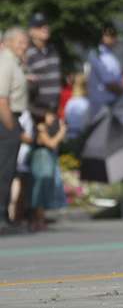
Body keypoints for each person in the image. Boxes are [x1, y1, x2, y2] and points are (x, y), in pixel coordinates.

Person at [0, 27, 30, 231]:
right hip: (6, 120)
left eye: (24, 42)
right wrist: (11, 127)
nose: (23, 46)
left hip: (11, 118)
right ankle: (2, 215)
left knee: (8, 171)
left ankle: (3, 214)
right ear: (8, 42)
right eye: (19, 42)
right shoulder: (6, 62)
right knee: (4, 170)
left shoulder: (14, 62)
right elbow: (2, 98)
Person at [26, 106, 65, 231]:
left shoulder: (46, 128)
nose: (52, 118)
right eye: (50, 116)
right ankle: (37, 220)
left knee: (43, 188)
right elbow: (51, 143)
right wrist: (62, 131)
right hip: (41, 161)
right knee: (39, 189)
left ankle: (40, 219)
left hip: (44, 160)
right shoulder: (40, 128)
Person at [24, 14, 61, 115]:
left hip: (54, 109)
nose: (45, 28)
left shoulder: (53, 49)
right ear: (31, 31)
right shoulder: (27, 52)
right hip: (36, 111)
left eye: (46, 25)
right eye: (40, 26)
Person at [85, 26, 123, 120]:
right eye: (108, 35)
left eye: (113, 35)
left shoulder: (111, 56)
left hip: (113, 101)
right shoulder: (97, 54)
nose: (113, 38)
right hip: (102, 104)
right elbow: (108, 82)